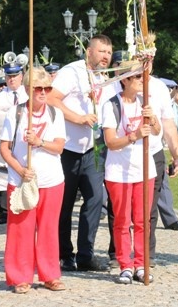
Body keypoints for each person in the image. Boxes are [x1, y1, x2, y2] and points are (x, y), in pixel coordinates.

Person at [47, 34, 115, 272]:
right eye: (101, 52)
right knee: (64, 204)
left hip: (94, 148)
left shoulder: (106, 78)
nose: (105, 57)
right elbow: (51, 98)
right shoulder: (72, 72)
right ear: (89, 51)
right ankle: (65, 254)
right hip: (68, 147)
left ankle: (86, 255)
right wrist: (78, 118)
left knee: (96, 198)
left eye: (108, 52)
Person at [0, 68, 67, 294]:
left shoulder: (55, 114)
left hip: (51, 179)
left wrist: (39, 142)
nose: (43, 92)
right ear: (28, 89)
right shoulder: (15, 113)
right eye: (38, 88)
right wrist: (19, 169)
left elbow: (59, 147)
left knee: (48, 229)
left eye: (47, 88)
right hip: (21, 180)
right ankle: (20, 276)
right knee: (21, 229)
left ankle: (50, 274)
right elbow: (4, 148)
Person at [101, 59, 161, 283]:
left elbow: (156, 132)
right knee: (122, 220)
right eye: (137, 77)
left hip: (144, 170)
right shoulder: (112, 105)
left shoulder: (145, 102)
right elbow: (110, 142)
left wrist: (152, 118)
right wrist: (133, 136)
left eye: (142, 76)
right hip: (119, 171)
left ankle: (141, 264)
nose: (141, 81)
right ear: (125, 80)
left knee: (143, 220)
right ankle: (125, 264)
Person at [0, 63, 29, 224]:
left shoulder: (27, 96)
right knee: (4, 175)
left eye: (15, 76)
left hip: (24, 142)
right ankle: (5, 211)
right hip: (4, 140)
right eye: (9, 76)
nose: (12, 79)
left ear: (21, 76)